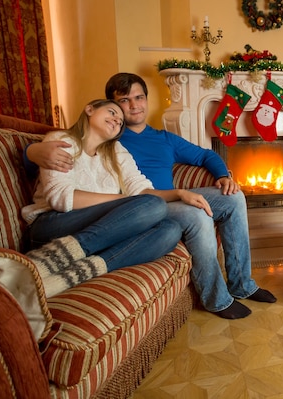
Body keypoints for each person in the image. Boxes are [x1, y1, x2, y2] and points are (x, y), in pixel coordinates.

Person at [24, 73, 276, 319]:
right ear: (96, 107)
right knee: (187, 213)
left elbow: (201, 157)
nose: (132, 106)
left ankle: (242, 284)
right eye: (122, 102)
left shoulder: (136, 144)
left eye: (139, 97)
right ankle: (217, 299)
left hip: (146, 202)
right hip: (133, 207)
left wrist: (222, 176)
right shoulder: (105, 138)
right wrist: (32, 151)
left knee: (232, 198)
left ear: (146, 99)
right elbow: (44, 163)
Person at [22, 99, 183, 297]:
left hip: (97, 227)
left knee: (170, 229)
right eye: (112, 112)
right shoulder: (61, 140)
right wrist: (121, 200)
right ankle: (53, 258)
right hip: (51, 224)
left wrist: (179, 193)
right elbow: (61, 198)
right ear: (89, 109)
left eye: (121, 121)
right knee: (155, 206)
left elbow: (140, 190)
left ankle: (81, 271)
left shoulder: (117, 151)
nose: (117, 120)